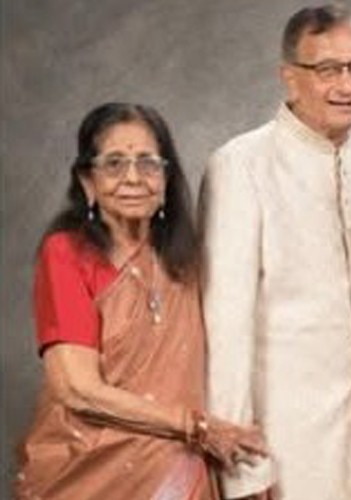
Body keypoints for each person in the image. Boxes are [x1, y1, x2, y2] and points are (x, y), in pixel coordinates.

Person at [15, 102, 266, 500]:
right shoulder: (66, 254)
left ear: (166, 178)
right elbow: (77, 388)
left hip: (181, 469)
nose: (133, 178)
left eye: (148, 164)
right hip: (89, 471)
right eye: (114, 164)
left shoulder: (188, 262)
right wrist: (195, 426)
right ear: (88, 182)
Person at [199, 5, 351, 500]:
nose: (347, 85)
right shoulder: (241, 165)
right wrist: (243, 470)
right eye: (327, 69)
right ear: (289, 77)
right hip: (282, 444)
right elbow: (225, 324)